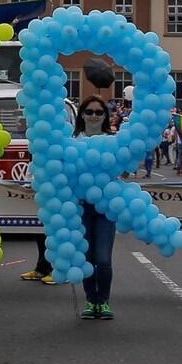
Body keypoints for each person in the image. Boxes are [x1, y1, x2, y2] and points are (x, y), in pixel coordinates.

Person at [74, 96, 120, 320]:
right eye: (89, 112)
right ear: (82, 115)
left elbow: (124, 172)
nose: (94, 116)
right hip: (80, 208)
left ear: (105, 116)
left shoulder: (114, 141)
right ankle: (91, 300)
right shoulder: (73, 141)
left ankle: (104, 301)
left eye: (99, 112)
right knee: (86, 257)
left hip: (105, 208)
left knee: (102, 259)